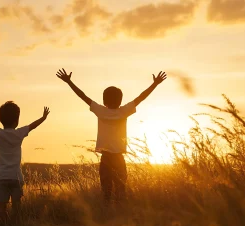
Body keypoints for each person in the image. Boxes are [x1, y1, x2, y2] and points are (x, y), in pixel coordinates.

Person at [56, 68, 167, 203]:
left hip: (106, 157)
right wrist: (155, 84)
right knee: (121, 189)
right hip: (119, 158)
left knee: (106, 191)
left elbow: (82, 96)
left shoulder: (100, 111)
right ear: (120, 101)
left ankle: (107, 214)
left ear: (104, 101)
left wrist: (69, 82)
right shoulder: (124, 111)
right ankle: (119, 215)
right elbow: (141, 98)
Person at [0, 102, 50, 219]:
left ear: (1, 119)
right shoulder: (19, 133)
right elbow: (32, 126)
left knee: (1, 208)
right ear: (16, 120)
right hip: (16, 177)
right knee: (17, 207)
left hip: (2, 177)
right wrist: (43, 118)